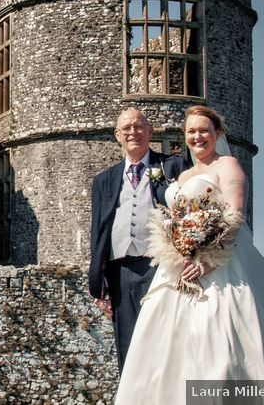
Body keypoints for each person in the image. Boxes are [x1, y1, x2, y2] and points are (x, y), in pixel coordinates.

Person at [114, 105, 264, 403]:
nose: (197, 137)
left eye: (204, 131)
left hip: (221, 267)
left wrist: (209, 261)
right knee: (164, 349)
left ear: (218, 133)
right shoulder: (184, 175)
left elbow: (235, 216)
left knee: (222, 349)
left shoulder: (228, 165)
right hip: (179, 269)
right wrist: (177, 248)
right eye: (191, 131)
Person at [88, 108, 187, 373]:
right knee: (129, 345)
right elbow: (98, 232)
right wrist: (99, 284)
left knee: (165, 340)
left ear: (150, 132)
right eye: (127, 128)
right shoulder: (104, 180)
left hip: (161, 267)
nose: (133, 132)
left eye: (139, 126)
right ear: (117, 135)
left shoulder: (172, 167)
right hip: (120, 272)